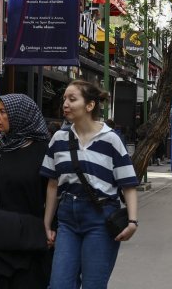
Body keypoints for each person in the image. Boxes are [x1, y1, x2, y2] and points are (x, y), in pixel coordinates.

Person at [41, 80, 139, 288]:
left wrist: (132, 222)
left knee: (94, 284)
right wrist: (47, 224)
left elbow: (128, 184)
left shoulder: (110, 139)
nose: (65, 104)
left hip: (101, 218)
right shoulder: (58, 138)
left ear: (90, 105)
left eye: (72, 99)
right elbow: (52, 184)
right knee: (59, 284)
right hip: (67, 218)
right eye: (64, 99)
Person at [0, 94, 52, 288]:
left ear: (21, 115)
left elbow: (53, 196)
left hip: (28, 243)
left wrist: (49, 229)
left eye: (3, 112)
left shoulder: (44, 151)